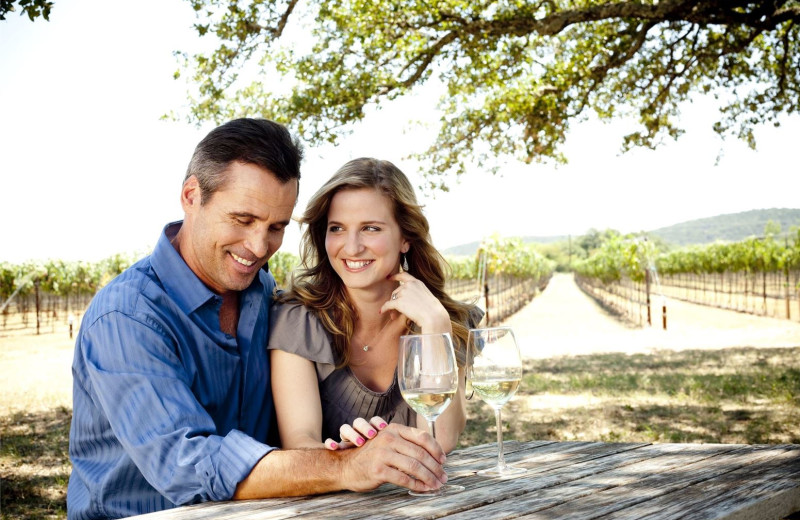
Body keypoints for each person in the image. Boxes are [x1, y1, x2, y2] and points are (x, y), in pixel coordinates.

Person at [68, 120, 449, 520]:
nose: (258, 246)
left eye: (276, 227)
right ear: (191, 196)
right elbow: (189, 465)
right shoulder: (128, 317)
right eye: (243, 219)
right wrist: (348, 466)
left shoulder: (265, 296)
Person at [269, 158, 483, 456]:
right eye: (337, 228)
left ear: (405, 237)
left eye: (370, 228)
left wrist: (435, 326)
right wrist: (356, 462)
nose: (352, 247)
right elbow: (299, 443)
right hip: (331, 501)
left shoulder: (446, 320)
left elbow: (440, 440)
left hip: (421, 499)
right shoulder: (299, 319)